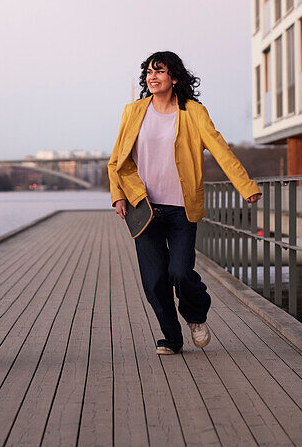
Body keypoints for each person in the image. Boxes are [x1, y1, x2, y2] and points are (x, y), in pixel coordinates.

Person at [108, 51, 260, 354]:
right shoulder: (133, 111)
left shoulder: (193, 112)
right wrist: (118, 195)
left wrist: (246, 186)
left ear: (174, 78)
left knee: (179, 272)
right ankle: (172, 338)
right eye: (148, 72)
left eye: (159, 71)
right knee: (154, 282)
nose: (152, 77)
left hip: (181, 208)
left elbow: (221, 150)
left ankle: (196, 313)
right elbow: (117, 161)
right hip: (144, 207)